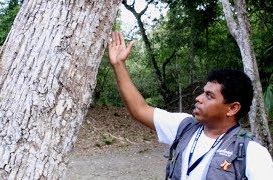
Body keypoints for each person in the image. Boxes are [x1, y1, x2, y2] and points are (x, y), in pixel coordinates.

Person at [107, 31, 273, 179]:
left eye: (209, 96)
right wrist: (119, 64)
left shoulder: (252, 153)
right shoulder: (184, 127)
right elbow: (140, 109)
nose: (198, 98)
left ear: (232, 108)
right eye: (203, 92)